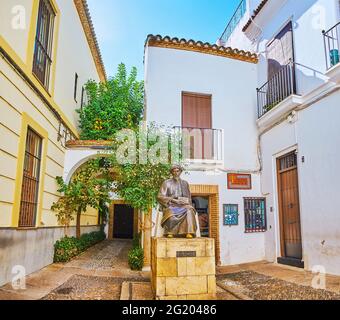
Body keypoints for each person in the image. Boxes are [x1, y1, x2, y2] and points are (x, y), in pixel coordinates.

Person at [157, 165, 198, 238]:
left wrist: (185, 202)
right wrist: (173, 200)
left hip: (183, 205)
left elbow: (188, 198)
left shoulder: (185, 183)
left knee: (190, 210)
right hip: (171, 205)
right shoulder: (166, 183)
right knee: (170, 211)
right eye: (174, 171)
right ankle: (170, 232)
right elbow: (160, 196)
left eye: (177, 171)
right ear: (171, 173)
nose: (176, 173)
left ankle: (189, 232)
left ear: (180, 172)